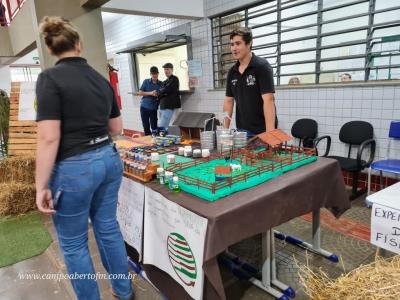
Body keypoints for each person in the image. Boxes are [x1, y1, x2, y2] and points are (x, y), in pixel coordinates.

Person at [35, 16, 133, 300]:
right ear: (78, 44)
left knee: (75, 243)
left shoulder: (49, 79)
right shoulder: (101, 80)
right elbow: (116, 129)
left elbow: (49, 137)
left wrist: (41, 186)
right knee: (108, 229)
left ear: (52, 49)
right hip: (108, 160)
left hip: (74, 168)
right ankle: (124, 292)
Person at [223, 27, 277, 138]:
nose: (234, 48)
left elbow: (269, 100)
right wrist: (224, 132)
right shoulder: (232, 72)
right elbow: (228, 101)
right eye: (232, 44)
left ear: (249, 44)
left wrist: (270, 133)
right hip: (242, 131)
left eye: (238, 44)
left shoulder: (261, 66)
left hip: (262, 130)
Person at [137, 66, 161, 135]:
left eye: (156, 73)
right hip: (144, 107)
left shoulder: (161, 83)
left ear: (158, 74)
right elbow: (140, 93)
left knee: (154, 127)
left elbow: (162, 94)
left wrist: (157, 95)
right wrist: (151, 93)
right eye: (153, 74)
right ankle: (148, 143)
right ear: (150, 74)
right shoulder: (146, 81)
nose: (154, 75)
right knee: (146, 126)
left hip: (153, 108)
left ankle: (155, 141)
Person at [157, 62, 180, 129]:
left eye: (167, 69)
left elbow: (168, 89)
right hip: (162, 106)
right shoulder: (164, 81)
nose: (166, 71)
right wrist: (162, 92)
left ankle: (162, 139)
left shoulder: (175, 79)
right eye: (165, 69)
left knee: (162, 126)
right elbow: (160, 92)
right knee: (162, 125)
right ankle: (163, 138)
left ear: (172, 70)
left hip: (169, 106)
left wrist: (162, 92)